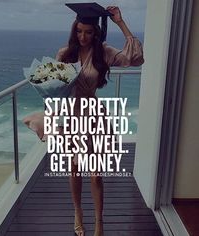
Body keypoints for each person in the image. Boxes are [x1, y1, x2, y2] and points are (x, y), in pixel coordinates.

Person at [23, 3, 144, 236]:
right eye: (79, 31)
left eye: (88, 32)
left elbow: (136, 58)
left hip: (94, 116)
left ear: (96, 32)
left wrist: (120, 22)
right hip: (70, 117)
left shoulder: (104, 52)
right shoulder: (64, 54)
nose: (83, 36)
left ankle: (99, 222)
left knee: (96, 173)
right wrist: (53, 115)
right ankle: (77, 212)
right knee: (75, 168)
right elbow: (55, 89)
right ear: (74, 30)